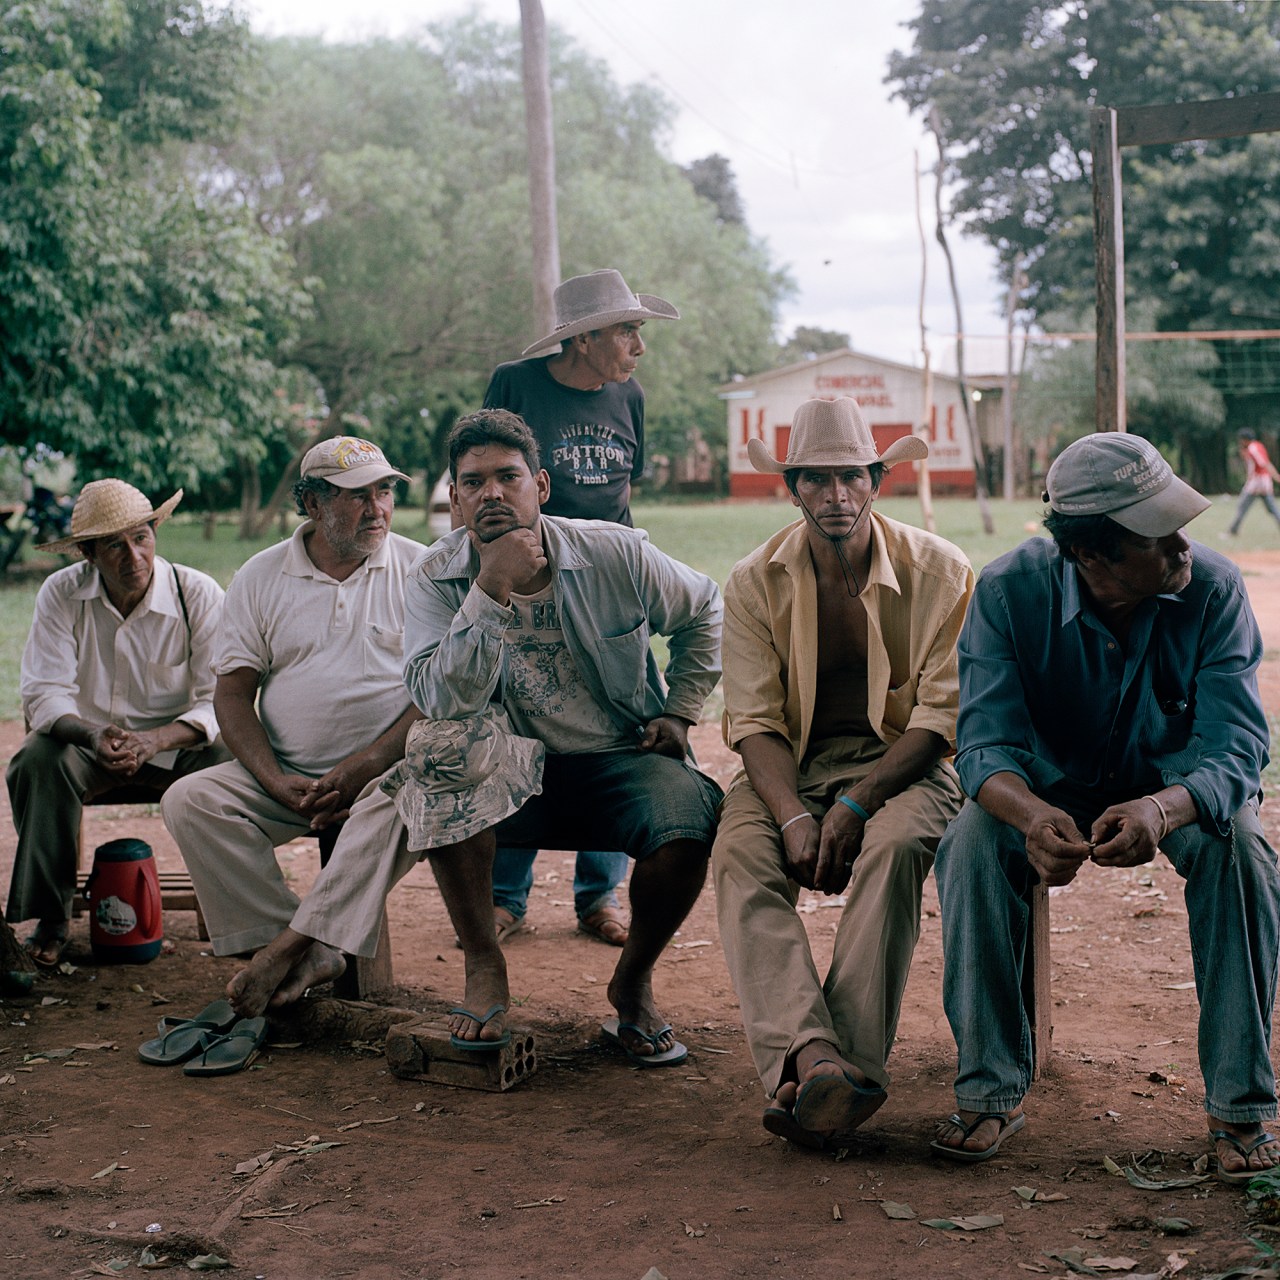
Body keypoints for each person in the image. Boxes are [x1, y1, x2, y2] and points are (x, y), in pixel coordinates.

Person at [228, 409, 723, 1062]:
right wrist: (491, 586)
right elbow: (440, 700)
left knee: (688, 819)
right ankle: (483, 965)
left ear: (540, 486)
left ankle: (632, 982)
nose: (491, 492)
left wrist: (682, 710)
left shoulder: (615, 553)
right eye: (473, 482)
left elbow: (706, 607)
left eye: (507, 476)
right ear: (455, 499)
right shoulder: (437, 574)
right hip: (511, 764)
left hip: (619, 754)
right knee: (436, 755)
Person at [931, 432, 1280, 1184]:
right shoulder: (1005, 591)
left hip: (1176, 788)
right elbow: (982, 747)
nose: (1186, 542)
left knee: (1242, 851)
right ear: (1092, 556)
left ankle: (1240, 1107)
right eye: (1161, 533)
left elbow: (1240, 748)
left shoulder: (1212, 588)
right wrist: (1027, 816)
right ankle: (990, 1087)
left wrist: (1163, 808)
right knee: (968, 843)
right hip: (1047, 787)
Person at [711, 397, 972, 1148]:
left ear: (877, 480)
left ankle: (837, 1068)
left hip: (904, 770)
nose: (836, 497)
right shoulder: (754, 580)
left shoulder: (939, 570)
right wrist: (793, 814)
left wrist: (859, 802)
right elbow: (755, 723)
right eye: (816, 480)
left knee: (893, 852)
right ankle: (816, 1056)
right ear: (791, 488)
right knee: (738, 855)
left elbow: (938, 721)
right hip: (790, 770)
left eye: (850, 477)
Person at [161, 437, 422, 984]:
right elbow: (231, 694)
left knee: (404, 797)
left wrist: (369, 764)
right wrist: (275, 780)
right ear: (312, 504)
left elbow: (440, 694)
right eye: (356, 495)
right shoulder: (261, 575)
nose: (377, 508)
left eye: (384, 491)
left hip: (388, 775)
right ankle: (299, 949)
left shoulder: (422, 570)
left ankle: (288, 953)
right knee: (191, 799)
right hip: (291, 781)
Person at [482, 269, 681, 948]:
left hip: (612, 588)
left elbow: (626, 491)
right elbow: (487, 471)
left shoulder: (630, 395)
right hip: (531, 582)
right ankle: (505, 896)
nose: (638, 346)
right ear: (587, 337)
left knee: (621, 722)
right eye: (629, 331)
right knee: (519, 719)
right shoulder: (518, 384)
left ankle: (600, 896)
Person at [6, 480, 227, 967]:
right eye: (113, 545)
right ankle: (52, 915)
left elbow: (220, 701)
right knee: (36, 761)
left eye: (141, 537)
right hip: (86, 746)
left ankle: (232, 908)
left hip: (174, 745)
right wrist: (91, 734)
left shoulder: (198, 594)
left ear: (155, 535)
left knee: (227, 759)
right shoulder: (61, 594)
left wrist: (155, 739)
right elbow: (44, 692)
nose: (133, 556)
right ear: (87, 553)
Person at [1226, 429, 1280, 536]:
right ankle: (1233, 530)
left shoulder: (1253, 449)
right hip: (1262, 482)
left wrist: (1276, 476)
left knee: (1242, 506)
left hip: (1257, 483)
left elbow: (1264, 464)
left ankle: (1233, 530)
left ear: (1245, 440)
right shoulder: (1258, 445)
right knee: (1272, 508)